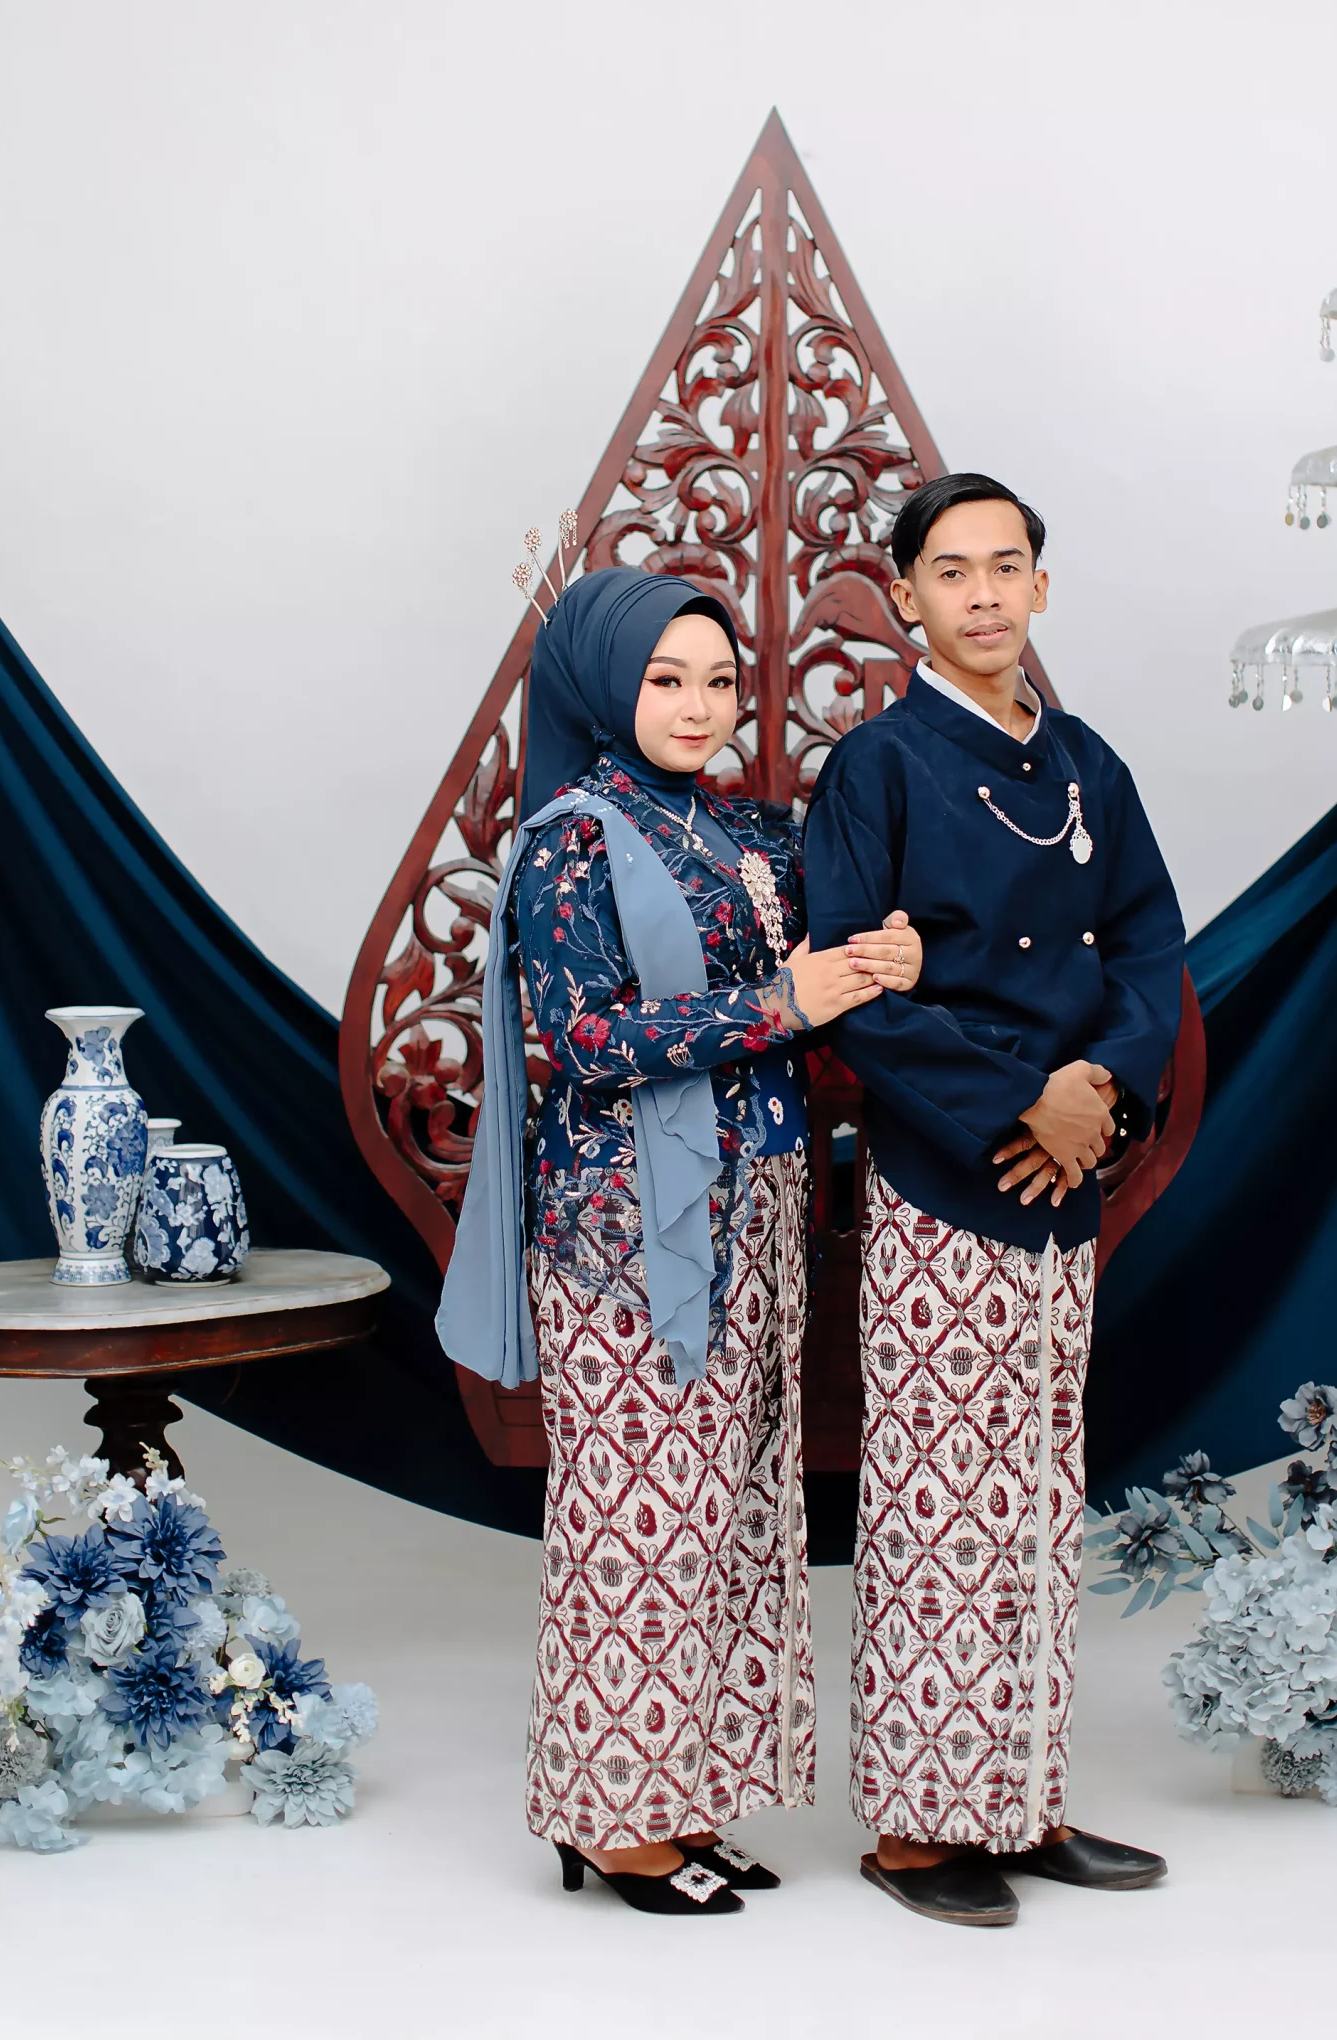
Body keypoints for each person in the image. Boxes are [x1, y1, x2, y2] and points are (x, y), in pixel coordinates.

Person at [437, 566, 923, 1915]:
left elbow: (819, 968)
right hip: (621, 1233)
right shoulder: (568, 842)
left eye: (718, 682)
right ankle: (611, 1820)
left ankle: (685, 1800)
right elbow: (583, 1040)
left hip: (757, 1212)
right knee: (635, 1521)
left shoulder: (747, 832)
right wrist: (782, 1003)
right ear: (609, 686)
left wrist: (874, 962)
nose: (700, 707)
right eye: (667, 680)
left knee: (735, 1514)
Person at [803, 472, 1185, 1928]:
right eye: (950, 571)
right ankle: (919, 1829)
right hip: (947, 1173)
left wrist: (1099, 1093)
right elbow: (850, 983)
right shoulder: (879, 766)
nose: (980, 594)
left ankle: (1022, 1800)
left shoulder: (1086, 761)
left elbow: (1147, 947)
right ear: (905, 596)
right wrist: (1016, 1103)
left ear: (1039, 587)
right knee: (935, 1508)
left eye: (1005, 566)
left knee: (1035, 1497)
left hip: (1063, 1173)